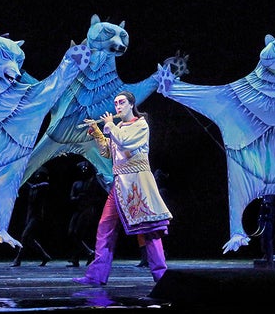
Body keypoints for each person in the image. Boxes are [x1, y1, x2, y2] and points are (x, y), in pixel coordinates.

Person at [73, 91, 173, 286]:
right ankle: (96, 275)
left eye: (121, 102)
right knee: (105, 226)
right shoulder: (119, 127)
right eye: (116, 103)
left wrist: (109, 125)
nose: (118, 106)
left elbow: (125, 142)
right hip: (119, 185)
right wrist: (97, 132)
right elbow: (108, 152)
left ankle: (162, 277)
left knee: (149, 230)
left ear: (131, 104)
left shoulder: (141, 125)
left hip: (138, 184)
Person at [66, 160, 106, 267]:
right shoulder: (77, 183)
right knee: (72, 233)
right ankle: (87, 253)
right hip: (78, 210)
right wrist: (77, 198)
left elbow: (98, 196)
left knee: (78, 233)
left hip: (87, 209)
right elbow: (71, 197)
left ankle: (79, 257)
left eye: (85, 169)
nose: (83, 171)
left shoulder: (92, 182)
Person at [10, 166, 52, 267]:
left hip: (36, 216)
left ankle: (18, 259)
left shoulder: (43, 186)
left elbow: (38, 185)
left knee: (24, 236)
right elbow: (28, 186)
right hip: (30, 216)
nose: (37, 176)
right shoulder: (34, 187)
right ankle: (44, 256)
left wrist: (27, 183)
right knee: (29, 239)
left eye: (39, 175)